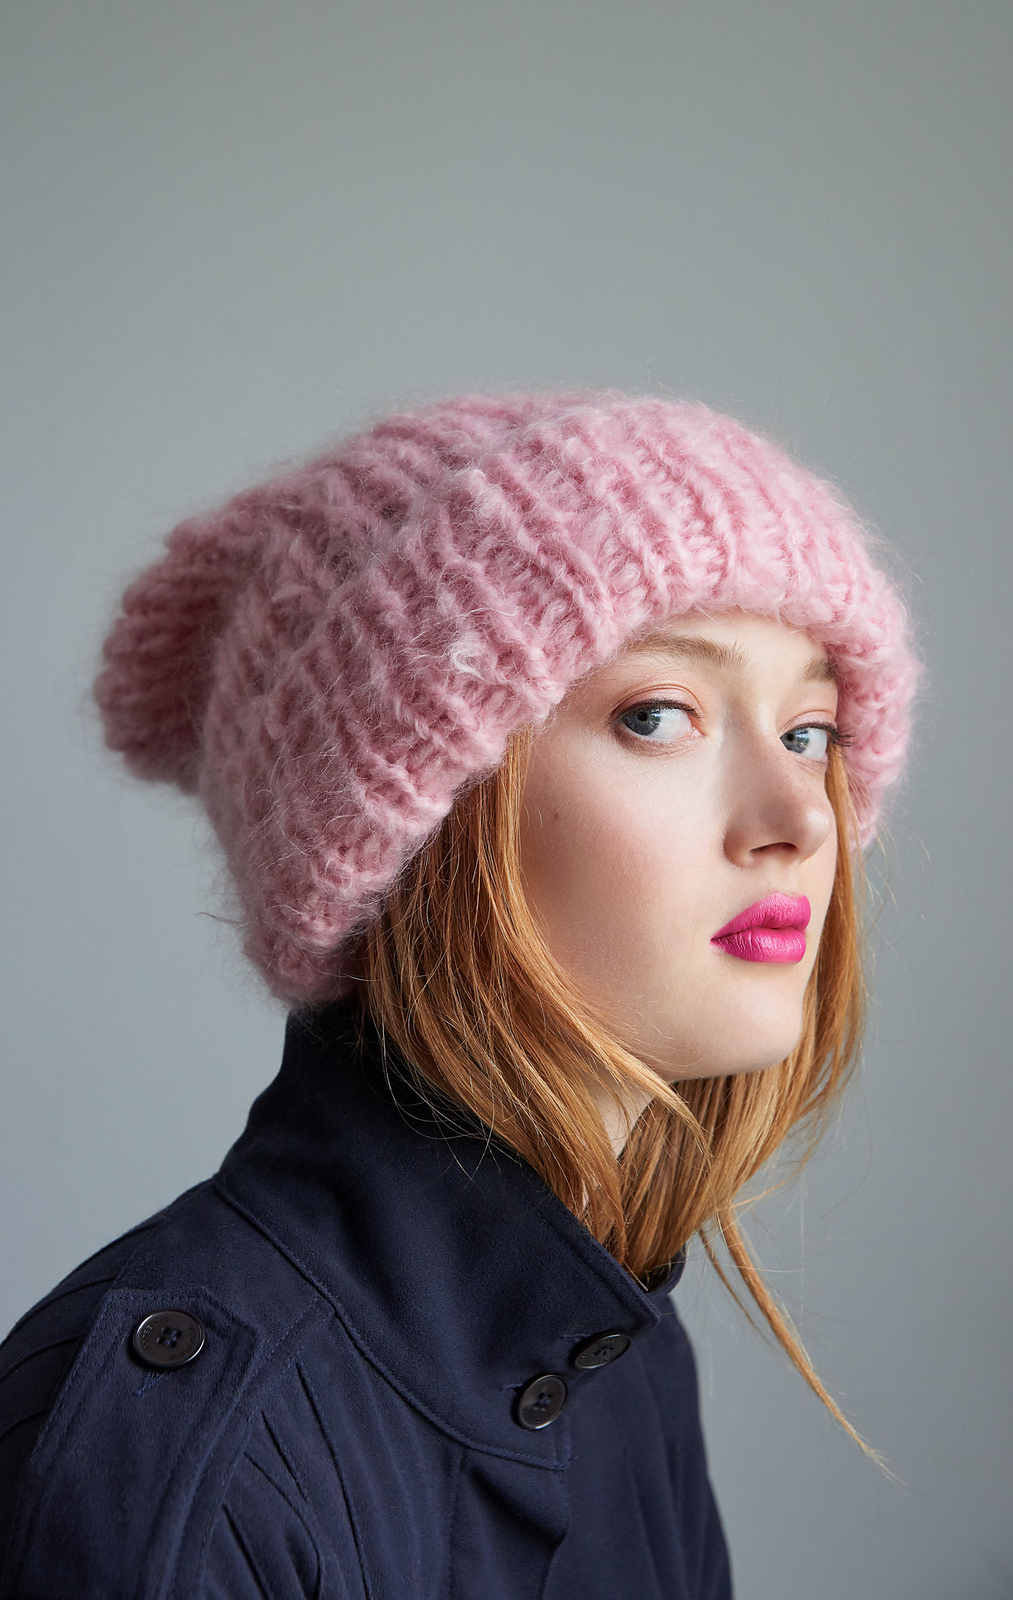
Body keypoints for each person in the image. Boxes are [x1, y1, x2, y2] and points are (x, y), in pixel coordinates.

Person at [0, 393, 919, 1599]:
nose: (800, 820)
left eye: (812, 730)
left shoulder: (619, 1356)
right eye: (657, 716)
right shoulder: (178, 1462)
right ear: (412, 821)